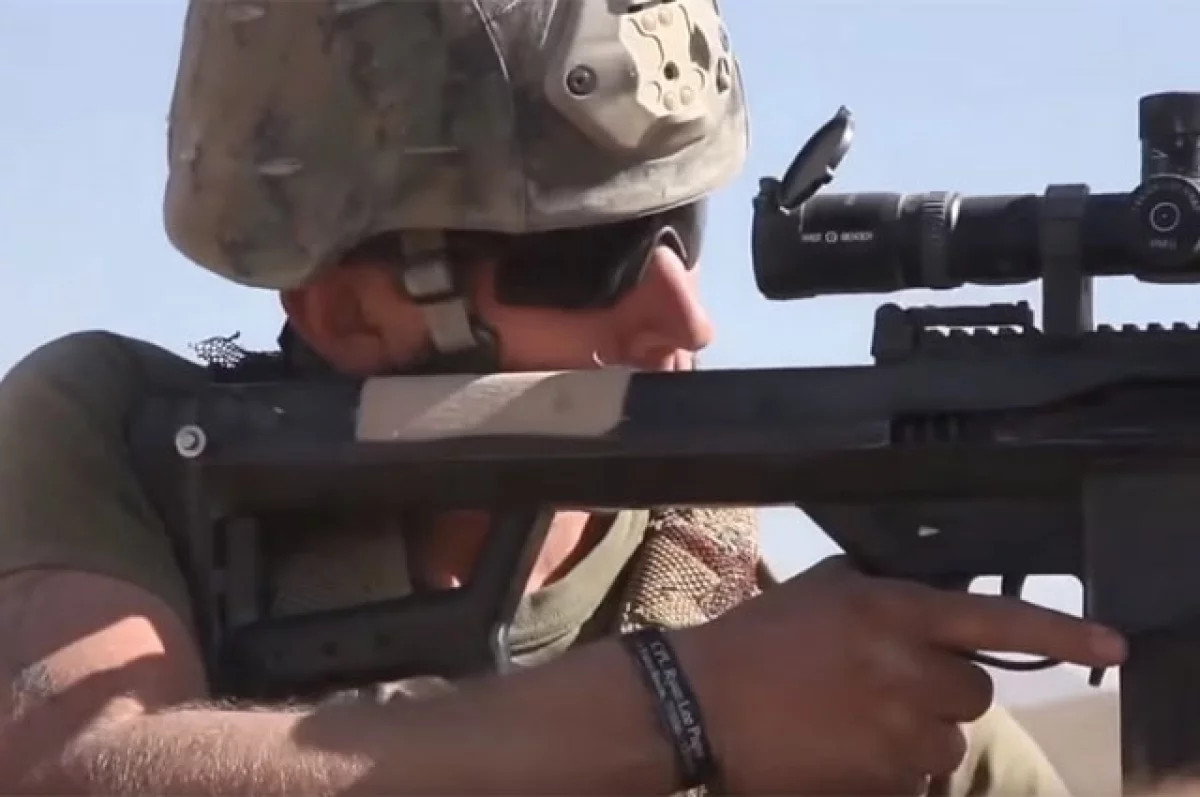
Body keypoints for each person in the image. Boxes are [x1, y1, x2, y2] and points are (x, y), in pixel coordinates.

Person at [0, 1, 1125, 794]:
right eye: (589, 260)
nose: (685, 318)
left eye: (679, 229)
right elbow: (71, 768)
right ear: (351, 313)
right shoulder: (118, 439)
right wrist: (683, 709)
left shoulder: (773, 642)